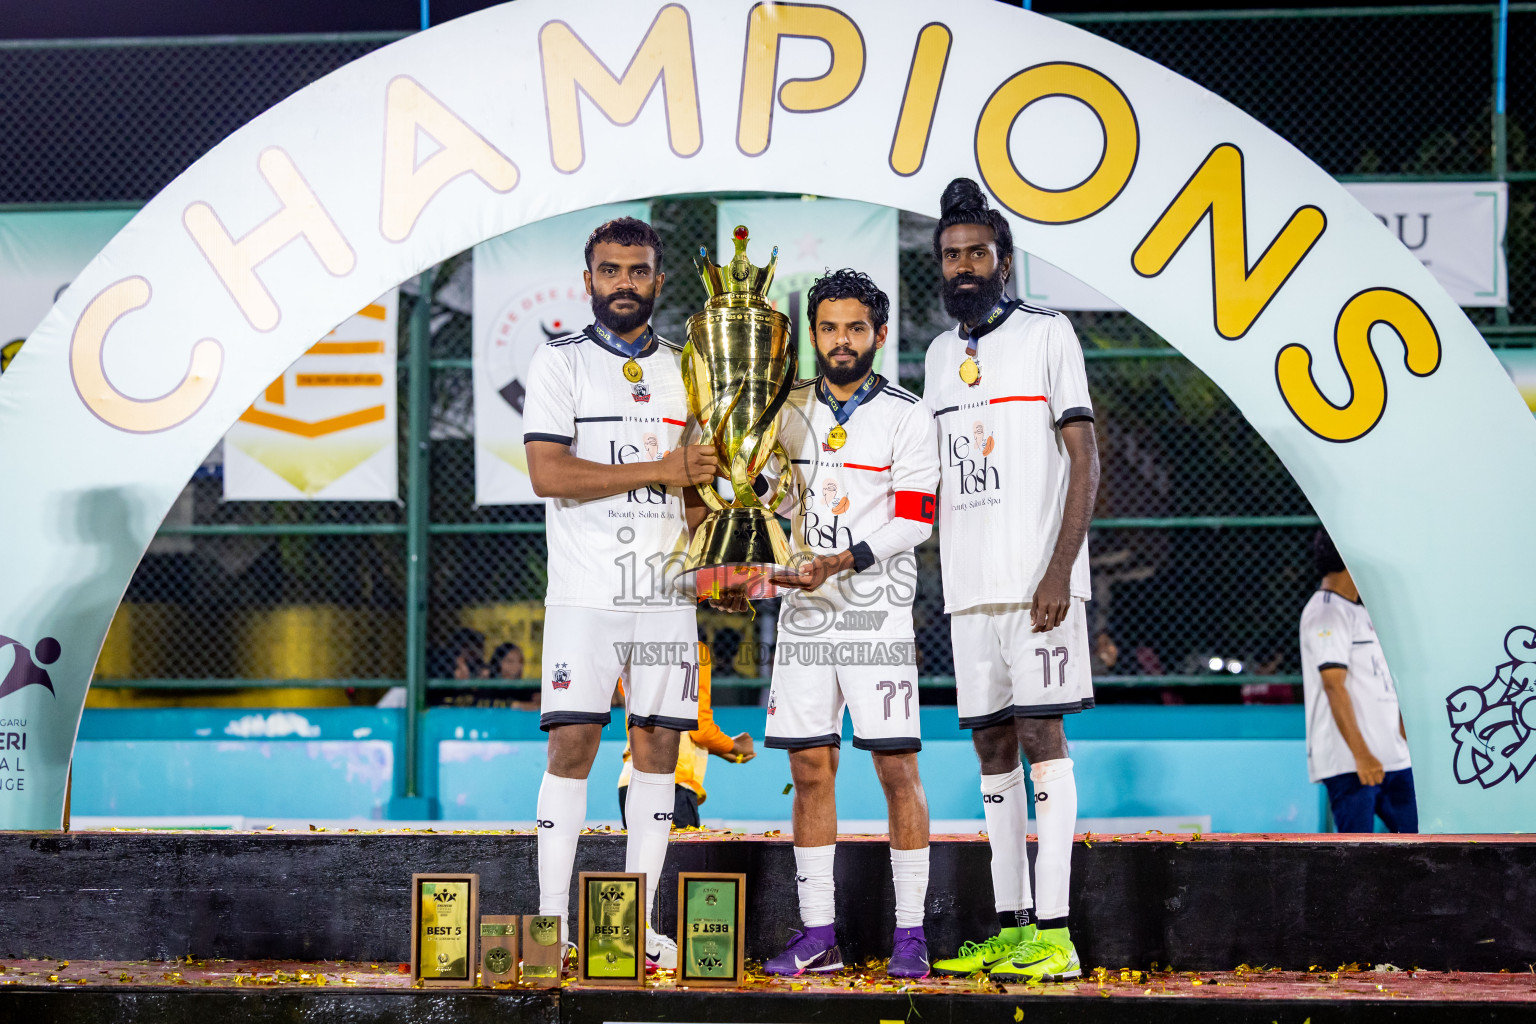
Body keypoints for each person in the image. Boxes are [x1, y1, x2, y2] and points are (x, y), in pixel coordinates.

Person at [522, 216, 716, 971]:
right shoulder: (559, 362)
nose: (624, 284)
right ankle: (547, 928)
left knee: (658, 746)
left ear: (658, 281)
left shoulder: (687, 369)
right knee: (573, 743)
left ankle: (631, 925)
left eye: (638, 271)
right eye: (611, 271)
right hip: (584, 593)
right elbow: (549, 474)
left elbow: (697, 484)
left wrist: (713, 561)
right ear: (589, 281)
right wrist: (658, 472)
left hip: (666, 592)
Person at [922, 179, 1099, 982]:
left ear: (1004, 259)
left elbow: (1084, 458)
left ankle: (1057, 935)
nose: (964, 266)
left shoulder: (1048, 333)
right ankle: (1012, 922)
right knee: (991, 746)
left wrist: (1060, 567)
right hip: (969, 589)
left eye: (977, 253)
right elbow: (928, 480)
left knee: (1041, 739)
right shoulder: (934, 354)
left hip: (1040, 586)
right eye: (952, 255)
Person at [748, 269, 940, 979]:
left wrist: (843, 559)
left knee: (895, 768)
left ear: (879, 335)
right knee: (809, 768)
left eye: (855, 327)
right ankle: (819, 933)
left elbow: (916, 520)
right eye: (828, 327)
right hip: (803, 613)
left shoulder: (908, 415)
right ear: (814, 335)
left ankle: (913, 934)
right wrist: (749, 487)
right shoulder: (786, 408)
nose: (840, 340)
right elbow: (768, 491)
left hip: (876, 613)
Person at [1300, 529, 1416, 833]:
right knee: (1357, 860)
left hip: (1393, 758)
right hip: (1353, 765)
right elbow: (1333, 685)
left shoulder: (1361, 612)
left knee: (1424, 844)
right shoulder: (1326, 613)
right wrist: (1362, 755)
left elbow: (1383, 680)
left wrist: (1403, 734)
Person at [617, 642, 756, 828]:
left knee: (639, 854)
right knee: (679, 857)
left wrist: (719, 750)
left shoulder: (634, 648)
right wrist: (734, 746)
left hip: (630, 780)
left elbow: (654, 722)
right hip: (674, 779)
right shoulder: (694, 649)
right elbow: (699, 728)